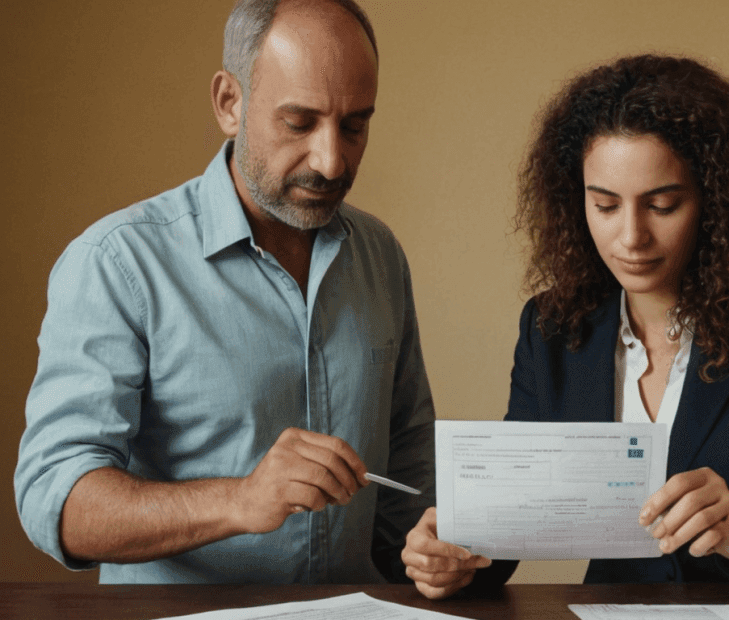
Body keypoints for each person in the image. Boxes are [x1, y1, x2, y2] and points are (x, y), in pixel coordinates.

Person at [402, 54, 729, 598]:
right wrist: (453, 552)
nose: (631, 238)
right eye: (605, 205)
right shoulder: (552, 328)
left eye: (662, 205)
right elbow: (519, 514)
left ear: (716, 201)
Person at [15, 0, 435, 584]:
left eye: (355, 125)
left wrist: (437, 551)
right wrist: (238, 500)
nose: (332, 159)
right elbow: (52, 499)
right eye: (299, 123)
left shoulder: (381, 255)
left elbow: (410, 483)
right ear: (229, 103)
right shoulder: (118, 263)